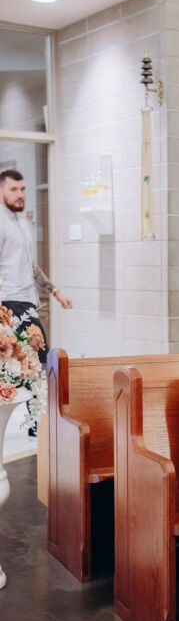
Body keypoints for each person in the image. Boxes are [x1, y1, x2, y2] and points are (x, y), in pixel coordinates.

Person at [0, 168, 73, 435]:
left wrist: (55, 291)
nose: (20, 194)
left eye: (22, 189)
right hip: (8, 303)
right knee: (35, 362)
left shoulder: (21, 223)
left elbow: (29, 265)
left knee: (34, 364)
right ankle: (35, 424)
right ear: (1, 191)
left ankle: (35, 423)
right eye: (13, 189)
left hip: (26, 301)